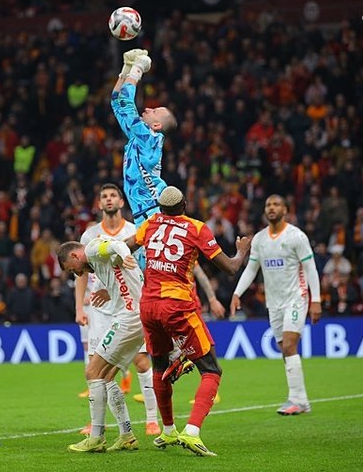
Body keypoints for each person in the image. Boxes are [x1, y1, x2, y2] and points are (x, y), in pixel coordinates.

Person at [111, 49, 226, 398]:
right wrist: (126, 67)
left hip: (154, 215)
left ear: (156, 125)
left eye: (153, 111)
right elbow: (118, 100)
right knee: (156, 288)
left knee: (162, 286)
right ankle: (177, 350)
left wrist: (137, 70)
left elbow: (124, 103)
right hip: (146, 216)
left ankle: (188, 352)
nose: (147, 109)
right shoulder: (141, 137)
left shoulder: (147, 137)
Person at [124, 186, 251, 456]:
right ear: (184, 205)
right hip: (177, 306)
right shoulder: (196, 228)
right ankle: (192, 431)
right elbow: (230, 268)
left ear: (161, 208)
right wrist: (242, 251)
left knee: (159, 367)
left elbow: (124, 247)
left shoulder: (150, 224)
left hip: (148, 306)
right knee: (211, 369)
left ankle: (168, 430)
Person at [73, 184, 160, 436]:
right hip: (99, 309)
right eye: (104, 196)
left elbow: (140, 269)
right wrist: (79, 307)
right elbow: (81, 274)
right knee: (96, 366)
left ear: (122, 202)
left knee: (141, 361)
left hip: (127, 304)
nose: (108, 199)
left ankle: (152, 419)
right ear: (99, 204)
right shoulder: (89, 235)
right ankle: (98, 422)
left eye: (113, 195)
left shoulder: (133, 231)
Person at [230, 194, 322, 416]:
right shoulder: (260, 239)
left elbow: (310, 268)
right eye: (268, 205)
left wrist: (316, 300)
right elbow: (252, 269)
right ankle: (301, 400)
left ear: (285, 210)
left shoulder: (296, 237)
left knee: (289, 345)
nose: (271, 208)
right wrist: (237, 293)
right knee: (285, 349)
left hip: (296, 298)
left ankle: (296, 400)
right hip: (274, 303)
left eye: (276, 204)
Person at [58, 234, 145, 453]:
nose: (78, 274)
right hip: (138, 317)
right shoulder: (98, 262)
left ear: (75, 255)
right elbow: (117, 265)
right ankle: (127, 435)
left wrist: (126, 255)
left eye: (73, 269)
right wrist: (109, 290)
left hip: (128, 319)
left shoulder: (92, 249)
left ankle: (96, 437)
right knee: (106, 377)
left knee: (92, 372)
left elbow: (116, 245)